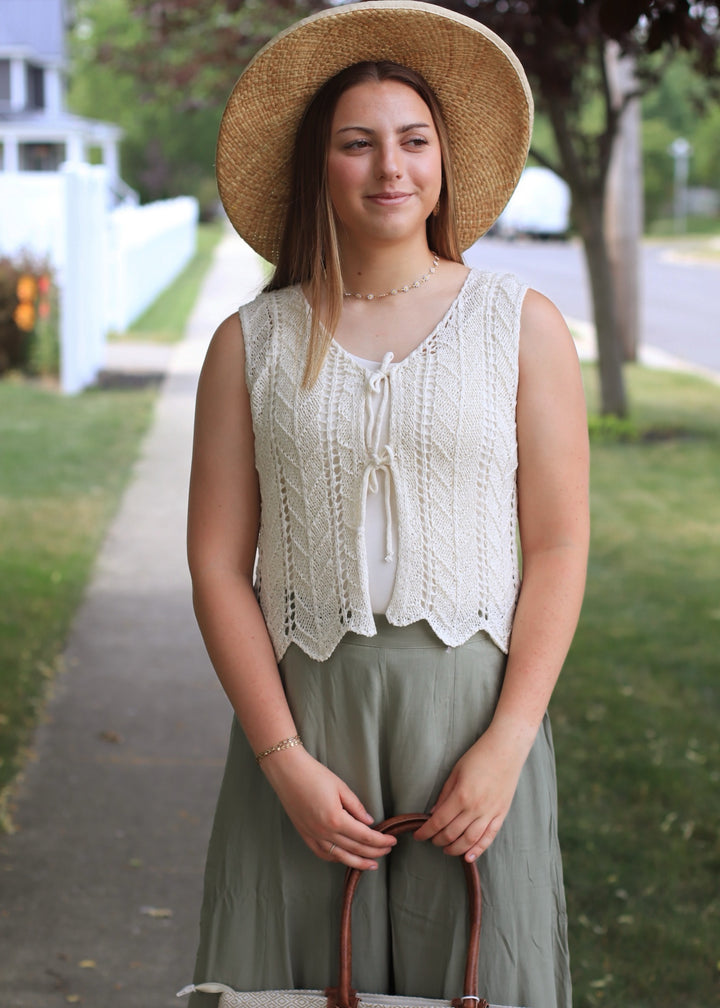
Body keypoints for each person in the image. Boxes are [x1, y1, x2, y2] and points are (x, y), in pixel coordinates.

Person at [181, 3, 589, 1007]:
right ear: (319, 165)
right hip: (307, 727)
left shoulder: (520, 326)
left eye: (413, 141)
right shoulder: (252, 343)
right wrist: (283, 764)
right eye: (357, 144)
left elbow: (561, 544)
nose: (389, 168)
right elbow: (214, 566)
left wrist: (507, 745)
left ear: (443, 161)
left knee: (474, 981)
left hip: (475, 727)